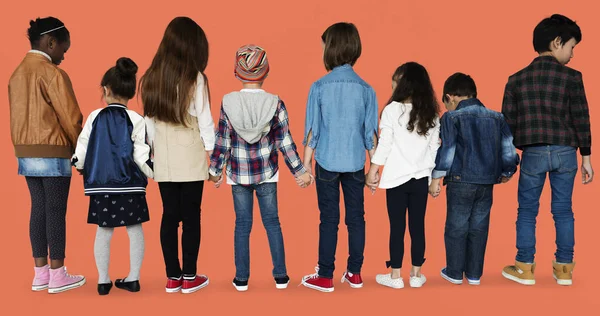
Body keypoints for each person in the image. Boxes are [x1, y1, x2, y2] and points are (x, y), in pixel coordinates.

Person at [208, 44, 312, 291]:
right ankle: (281, 277)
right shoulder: (275, 103)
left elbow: (222, 141)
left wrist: (214, 171)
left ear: (236, 72)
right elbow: (285, 142)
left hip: (238, 174)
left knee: (242, 225)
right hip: (268, 173)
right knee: (272, 223)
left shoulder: (228, 102)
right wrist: (300, 171)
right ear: (265, 72)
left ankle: (241, 279)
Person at [501, 14, 593, 286]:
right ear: (557, 42)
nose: (573, 54)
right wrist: (586, 157)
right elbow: (581, 118)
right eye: (572, 46)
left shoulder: (515, 79)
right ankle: (564, 269)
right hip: (566, 152)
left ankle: (524, 267)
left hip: (533, 153)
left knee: (527, 212)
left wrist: (508, 161)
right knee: (563, 211)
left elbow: (507, 126)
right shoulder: (573, 77)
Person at [300, 22, 379, 293]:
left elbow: (313, 130)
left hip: (327, 163)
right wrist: (374, 171)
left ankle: (325, 276)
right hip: (357, 163)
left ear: (331, 48)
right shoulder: (367, 89)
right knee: (357, 218)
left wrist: (305, 165)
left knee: (329, 219)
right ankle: (355, 273)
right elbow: (371, 135)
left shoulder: (319, 87)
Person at [8, 16, 85, 294]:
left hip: (25, 153)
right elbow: (71, 118)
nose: (64, 56)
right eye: (64, 49)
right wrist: (81, 153)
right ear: (51, 43)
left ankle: (40, 274)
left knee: (38, 209)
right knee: (55, 211)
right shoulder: (52, 74)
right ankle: (58, 274)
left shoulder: (16, 74)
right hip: (53, 151)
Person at [140, 16, 215, 294]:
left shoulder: (151, 77)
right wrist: (215, 161)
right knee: (191, 216)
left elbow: (148, 123)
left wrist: (152, 152)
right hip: (191, 155)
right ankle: (190, 276)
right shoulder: (195, 78)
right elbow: (206, 123)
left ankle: (172, 277)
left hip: (165, 158)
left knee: (169, 215)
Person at [72, 57, 153, 295]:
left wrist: (78, 164)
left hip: (102, 185)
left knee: (104, 230)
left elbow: (83, 147)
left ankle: (103, 281)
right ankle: (134, 278)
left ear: (106, 90)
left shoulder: (95, 116)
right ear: (130, 91)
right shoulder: (137, 119)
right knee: (134, 227)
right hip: (131, 185)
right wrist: (155, 173)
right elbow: (141, 155)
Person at [431, 73, 519, 286]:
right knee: (479, 226)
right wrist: (507, 171)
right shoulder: (497, 117)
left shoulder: (451, 118)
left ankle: (453, 272)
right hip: (487, 182)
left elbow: (448, 148)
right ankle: (474, 274)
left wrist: (437, 176)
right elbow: (508, 148)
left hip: (460, 180)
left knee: (456, 226)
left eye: (446, 103)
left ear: (450, 97)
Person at [366, 62, 441, 289]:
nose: (392, 83)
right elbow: (433, 150)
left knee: (396, 227)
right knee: (418, 226)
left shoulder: (391, 110)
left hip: (397, 179)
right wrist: (430, 179)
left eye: (395, 80)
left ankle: (395, 276)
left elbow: (386, 144)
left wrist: (372, 170)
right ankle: (416, 275)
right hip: (420, 179)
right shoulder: (432, 114)